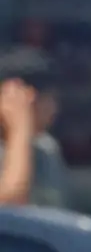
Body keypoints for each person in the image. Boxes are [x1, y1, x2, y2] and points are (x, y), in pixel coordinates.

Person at [0, 46, 68, 209]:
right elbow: (10, 210)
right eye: (50, 98)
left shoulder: (47, 150)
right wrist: (19, 126)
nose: (55, 108)